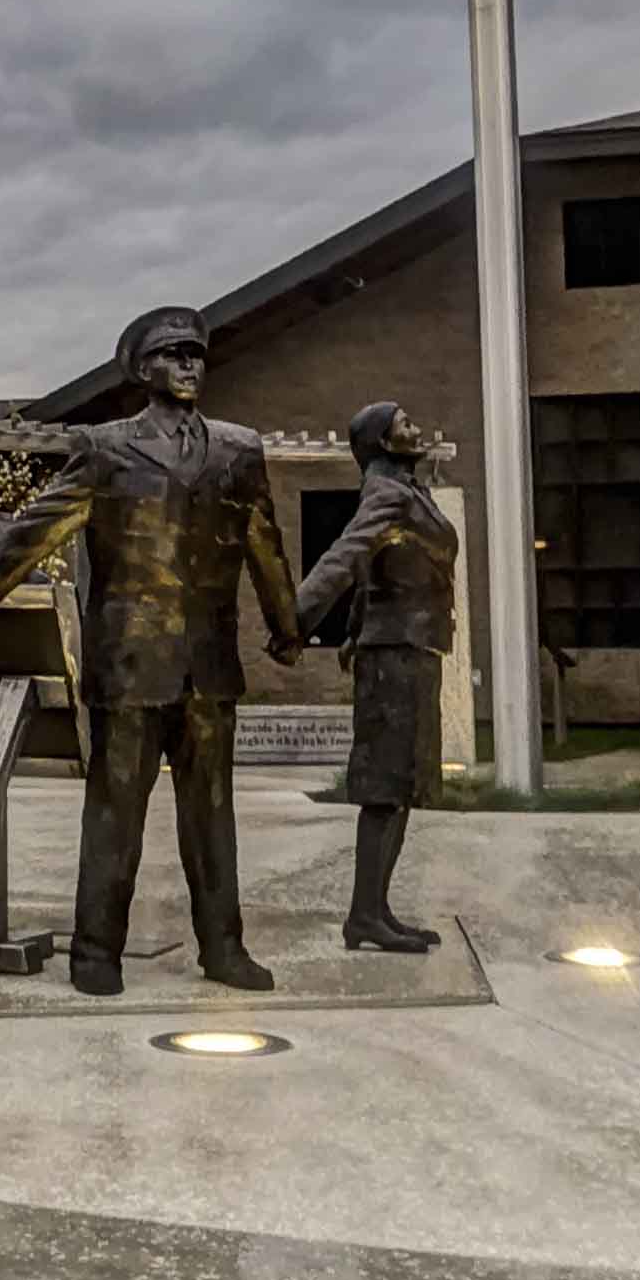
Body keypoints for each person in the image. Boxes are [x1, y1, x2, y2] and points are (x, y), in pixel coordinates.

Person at [0, 307, 296, 993]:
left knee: (212, 816)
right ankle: (96, 952)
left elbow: (265, 542)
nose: (189, 363)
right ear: (142, 368)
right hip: (129, 664)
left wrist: (286, 625)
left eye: (196, 352)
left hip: (210, 666)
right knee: (114, 816)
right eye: (172, 353)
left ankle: (223, 947)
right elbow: (33, 533)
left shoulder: (238, 449)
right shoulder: (103, 448)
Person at [289, 398, 460, 952]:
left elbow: (370, 570)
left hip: (409, 648)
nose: (416, 428)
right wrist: (294, 619)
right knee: (386, 789)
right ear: (384, 444)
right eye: (404, 424)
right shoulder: (387, 493)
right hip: (393, 657)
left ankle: (375, 910)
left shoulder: (407, 491)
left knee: (401, 787)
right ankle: (364, 915)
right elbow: (346, 555)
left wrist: (354, 627)